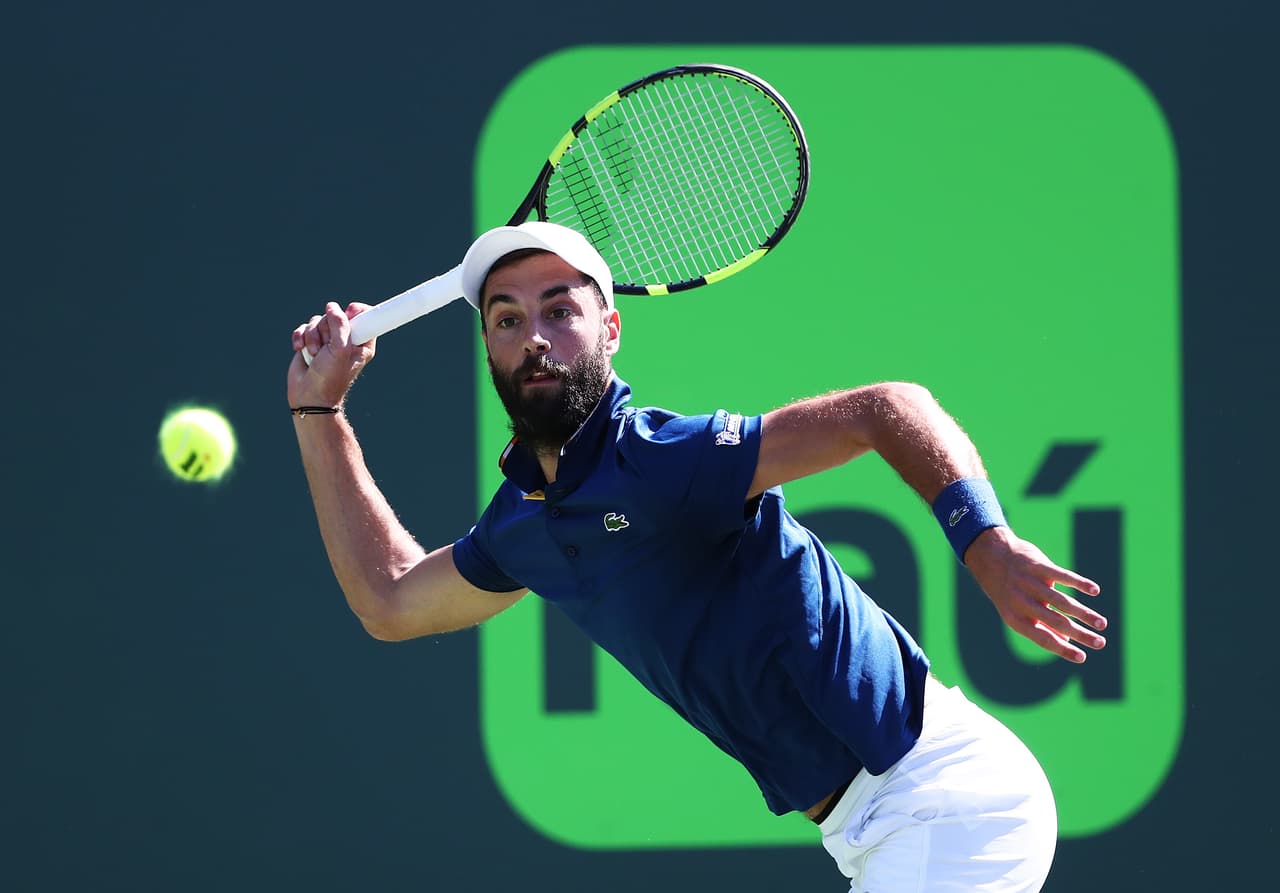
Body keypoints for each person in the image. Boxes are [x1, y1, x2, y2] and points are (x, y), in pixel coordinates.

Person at [288, 220, 1108, 892]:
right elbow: (389, 599)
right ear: (489, 349)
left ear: (609, 328)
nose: (534, 337)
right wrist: (320, 409)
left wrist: (986, 541)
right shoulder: (520, 528)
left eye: (559, 311)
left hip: (943, 797)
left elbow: (888, 409)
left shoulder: (660, 459)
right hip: (871, 828)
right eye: (506, 318)